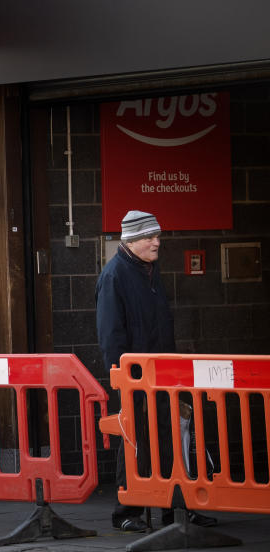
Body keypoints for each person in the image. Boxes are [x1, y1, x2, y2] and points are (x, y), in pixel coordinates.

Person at [96, 210, 216, 531]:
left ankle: (173, 509)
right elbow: (111, 335)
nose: (157, 242)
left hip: (161, 373)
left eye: (157, 235)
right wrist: (125, 377)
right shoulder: (115, 276)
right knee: (135, 440)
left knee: (168, 439)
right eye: (149, 237)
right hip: (134, 377)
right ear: (131, 240)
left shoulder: (148, 270)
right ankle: (127, 513)